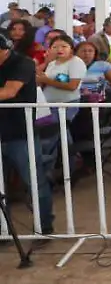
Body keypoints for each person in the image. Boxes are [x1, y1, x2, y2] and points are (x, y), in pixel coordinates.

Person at [0, 33, 54, 233]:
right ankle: (3, 229)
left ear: (4, 50)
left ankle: (44, 226)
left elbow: (9, 92)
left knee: (34, 181)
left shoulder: (22, 63)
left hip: (20, 132)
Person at [37, 35, 87, 106]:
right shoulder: (52, 63)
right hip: (48, 104)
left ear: (71, 49)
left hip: (67, 104)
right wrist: (40, 79)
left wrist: (46, 80)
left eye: (64, 46)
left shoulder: (76, 62)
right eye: (55, 47)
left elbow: (72, 86)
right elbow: (47, 82)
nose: (59, 49)